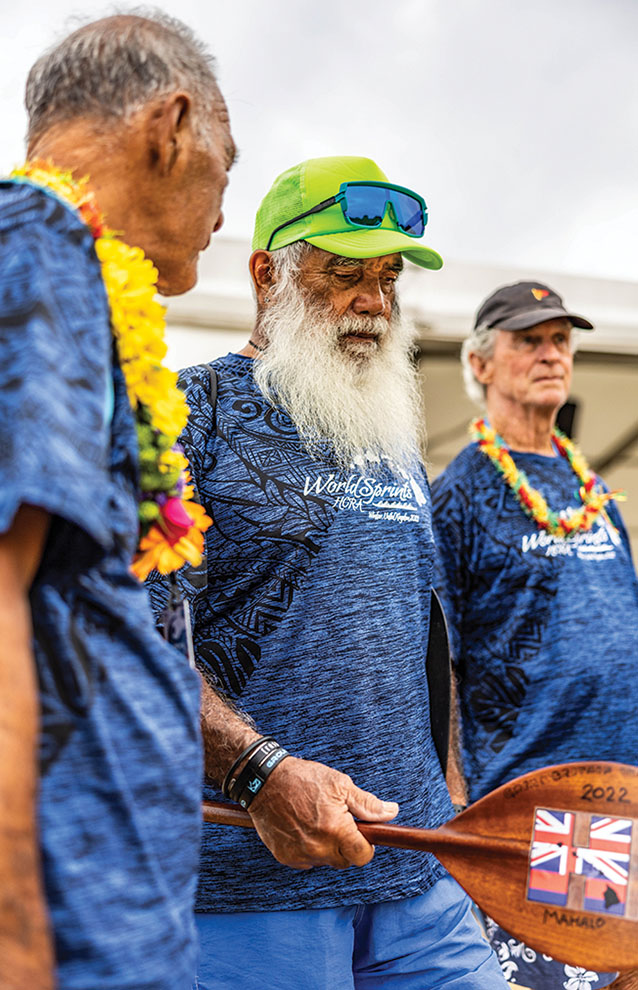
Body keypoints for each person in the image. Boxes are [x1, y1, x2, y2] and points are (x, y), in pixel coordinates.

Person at [147, 155, 509, 990]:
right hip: (249, 893)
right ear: (267, 274)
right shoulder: (183, 418)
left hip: (420, 881)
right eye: (343, 273)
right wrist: (258, 771)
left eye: (387, 279)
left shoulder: (392, 442)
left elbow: (425, 636)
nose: (372, 302)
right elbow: (135, 636)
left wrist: (448, 798)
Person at [0, 13, 239, 989]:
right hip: (64, 926)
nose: (225, 206)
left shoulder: (69, 268)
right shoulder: (38, 241)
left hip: (114, 908)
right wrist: (15, 935)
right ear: (171, 125)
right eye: (229, 157)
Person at [431, 281, 638, 990]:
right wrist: (458, 793)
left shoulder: (593, 491)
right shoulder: (461, 492)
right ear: (481, 363)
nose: (551, 355)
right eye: (529, 341)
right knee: (562, 977)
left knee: (618, 975)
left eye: (560, 341)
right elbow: (439, 653)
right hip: (535, 801)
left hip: (617, 789)